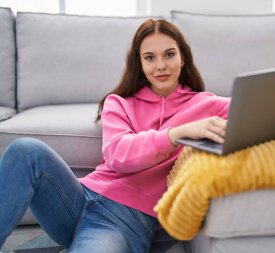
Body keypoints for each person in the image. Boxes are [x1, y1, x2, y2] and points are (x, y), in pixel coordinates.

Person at [0, 19, 230, 253]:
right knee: (25, 151)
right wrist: (175, 135)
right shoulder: (118, 103)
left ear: (183, 57)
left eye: (169, 54)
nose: (160, 65)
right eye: (150, 57)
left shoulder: (210, 106)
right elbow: (119, 156)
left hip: (122, 220)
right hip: (80, 198)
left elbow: (259, 112)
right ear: (139, 63)